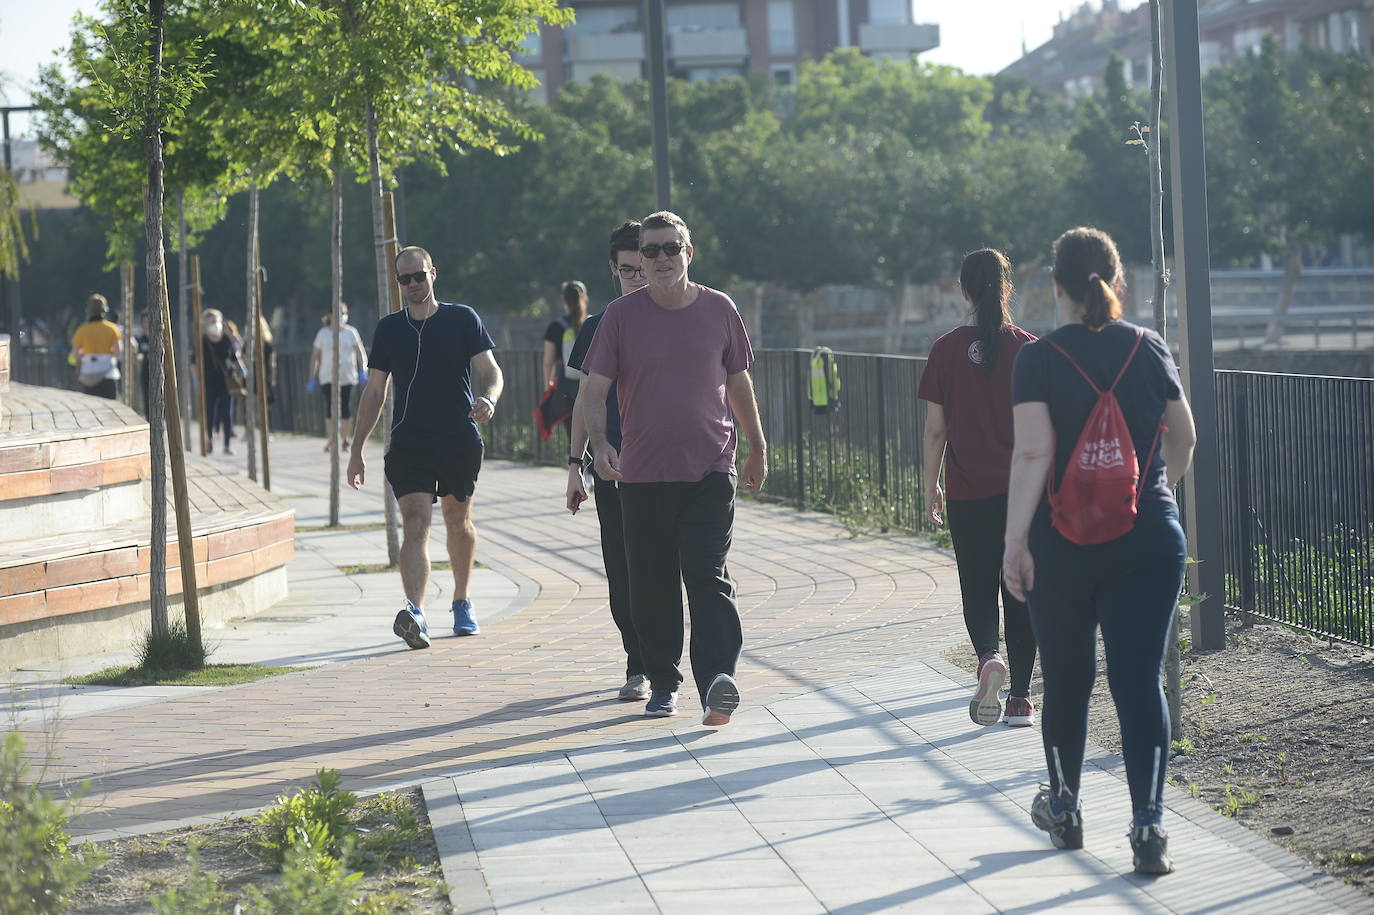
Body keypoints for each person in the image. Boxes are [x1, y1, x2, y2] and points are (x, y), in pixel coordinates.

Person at [1003, 226, 1197, 875]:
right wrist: (1151, 493)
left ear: (1054, 286)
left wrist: (1014, 542)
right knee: (1138, 678)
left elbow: (1032, 452)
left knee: (1066, 679)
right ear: (1117, 281)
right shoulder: (1150, 347)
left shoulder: (1037, 357)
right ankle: (1148, 827)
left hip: (1061, 543)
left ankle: (1066, 805)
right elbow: (1185, 437)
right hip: (1148, 539)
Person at [581, 211, 767, 726]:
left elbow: (739, 382)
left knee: (708, 578)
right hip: (641, 475)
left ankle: (716, 682)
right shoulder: (620, 317)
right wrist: (598, 444)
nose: (661, 258)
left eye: (671, 248)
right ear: (639, 257)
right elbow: (593, 390)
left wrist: (757, 445)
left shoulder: (720, 310)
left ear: (690, 252)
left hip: (710, 468)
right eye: (651, 250)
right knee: (654, 583)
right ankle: (664, 681)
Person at [347, 246, 504, 650]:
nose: (413, 284)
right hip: (409, 441)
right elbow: (375, 391)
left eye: (419, 276)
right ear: (398, 283)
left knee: (458, 520)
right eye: (405, 279)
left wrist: (489, 398)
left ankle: (461, 601)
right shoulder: (389, 329)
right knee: (415, 524)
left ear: (433, 273)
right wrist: (356, 449)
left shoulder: (461, 318)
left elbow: (490, 371)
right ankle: (414, 613)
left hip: (458, 437)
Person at [919, 249, 1039, 728]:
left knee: (978, 585)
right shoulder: (1029, 349)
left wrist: (931, 487)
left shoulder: (946, 349)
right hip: (1022, 494)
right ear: (1007, 289)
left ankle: (989, 657)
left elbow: (935, 431)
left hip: (968, 493)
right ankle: (1022, 700)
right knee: (1021, 591)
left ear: (964, 291)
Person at [564, 220, 654, 702]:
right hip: (613, 465)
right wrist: (575, 465)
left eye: (644, 268)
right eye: (628, 271)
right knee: (621, 568)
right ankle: (638, 661)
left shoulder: (675, 317)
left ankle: (667, 659)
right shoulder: (599, 327)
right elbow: (583, 399)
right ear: (613, 270)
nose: (639, 279)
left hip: (669, 465)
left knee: (665, 566)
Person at [310, 303, 367, 450]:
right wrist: (312, 377)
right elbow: (315, 356)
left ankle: (345, 439)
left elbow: (360, 352)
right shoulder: (323, 334)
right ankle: (331, 439)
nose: (340, 317)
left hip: (348, 377)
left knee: (346, 408)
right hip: (328, 377)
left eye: (343, 313)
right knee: (330, 408)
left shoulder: (351, 332)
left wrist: (363, 370)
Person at [541, 281, 587, 436]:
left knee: (573, 432)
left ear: (564, 301)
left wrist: (548, 386)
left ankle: (575, 459)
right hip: (591, 385)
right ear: (585, 298)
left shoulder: (555, 327)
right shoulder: (592, 323)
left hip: (565, 387)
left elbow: (548, 362)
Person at [200, 309, 245, 454]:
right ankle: (209, 440)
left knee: (227, 412)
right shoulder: (202, 341)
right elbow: (195, 362)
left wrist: (243, 370)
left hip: (227, 381)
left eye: (217, 320)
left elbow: (235, 356)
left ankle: (227, 445)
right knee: (210, 412)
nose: (215, 324)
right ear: (205, 324)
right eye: (211, 321)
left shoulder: (227, 339)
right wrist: (197, 380)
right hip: (209, 381)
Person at [71, 294, 122, 400]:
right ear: (104, 310)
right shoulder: (112, 328)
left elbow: (75, 353)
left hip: (89, 375)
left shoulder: (82, 330)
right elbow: (118, 352)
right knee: (110, 407)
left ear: (88, 311)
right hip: (108, 374)